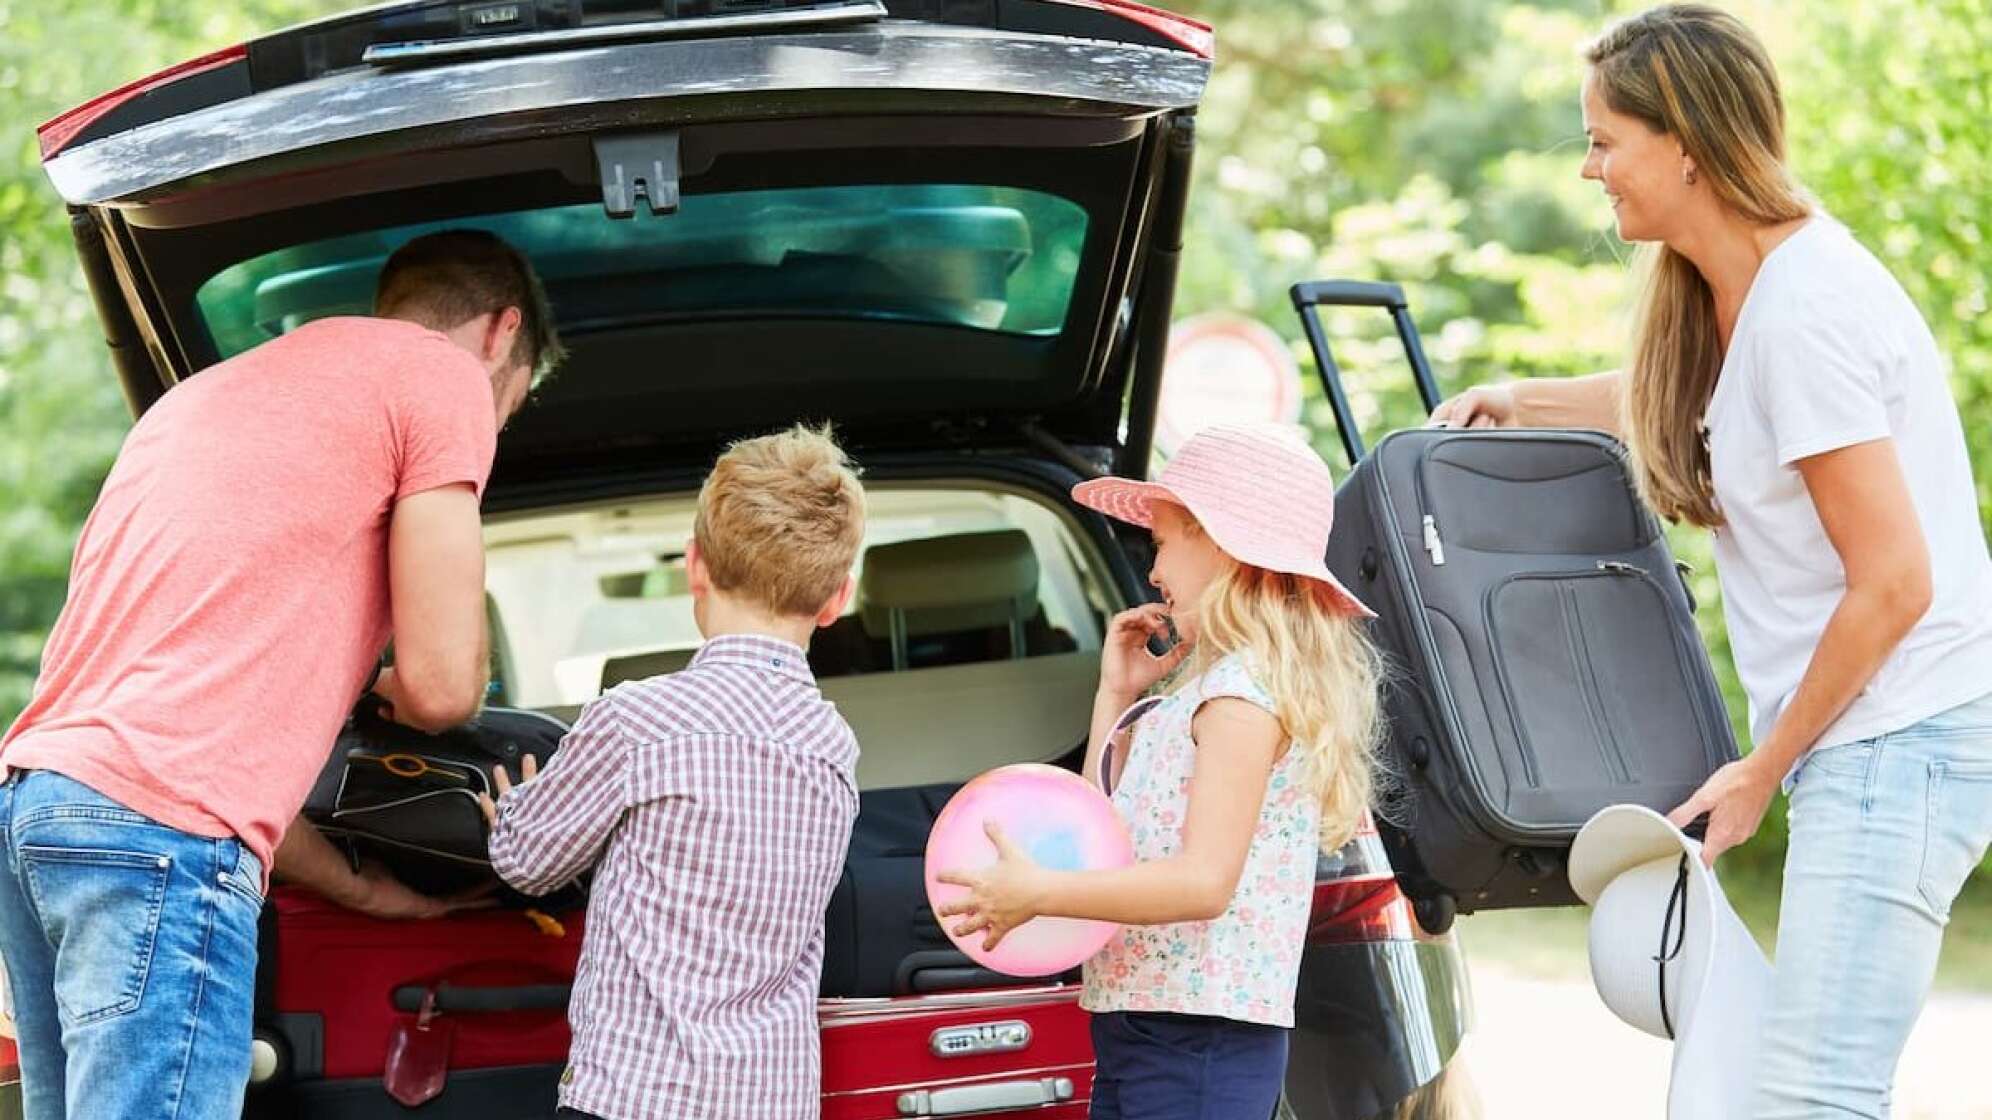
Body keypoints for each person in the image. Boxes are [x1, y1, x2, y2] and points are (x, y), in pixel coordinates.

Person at [1431, 7, 1992, 1116]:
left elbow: (1895, 580)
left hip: (1904, 741)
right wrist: (1524, 397)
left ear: (1684, 141)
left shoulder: (1805, 311)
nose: (1592, 169)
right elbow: (1693, 398)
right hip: (1877, 739)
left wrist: (1764, 764)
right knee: (1767, 1080)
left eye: (1604, 140)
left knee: (1812, 1094)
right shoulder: (1733, 288)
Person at [0, 229, 563, 1120]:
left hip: (38, 811)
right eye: (514, 405)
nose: (493, 430)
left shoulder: (206, 396)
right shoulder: (442, 374)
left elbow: (215, 772)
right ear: (502, 333)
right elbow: (445, 686)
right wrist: (395, 688)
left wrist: (363, 888)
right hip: (158, 837)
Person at [937, 423, 1385, 1120]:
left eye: (1164, 542)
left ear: (1221, 543)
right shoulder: (1195, 696)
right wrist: (1114, 694)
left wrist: (1041, 893)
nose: (1152, 571)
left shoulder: (1240, 697)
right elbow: (1094, 836)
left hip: (1198, 1037)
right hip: (1147, 1025)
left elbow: (1203, 882)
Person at [483, 425, 867, 1120]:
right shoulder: (831, 745)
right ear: (838, 598)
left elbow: (525, 863)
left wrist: (510, 806)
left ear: (695, 566)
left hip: (637, 1097)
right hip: (769, 1100)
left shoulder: (639, 720)